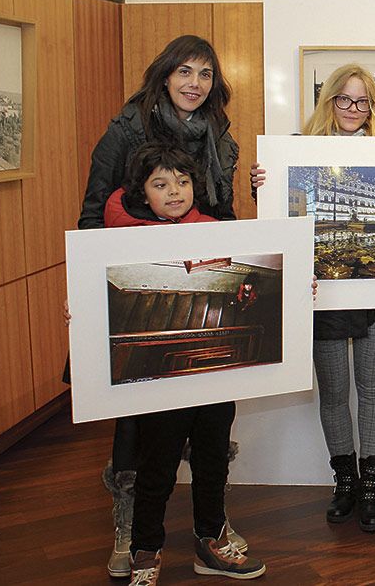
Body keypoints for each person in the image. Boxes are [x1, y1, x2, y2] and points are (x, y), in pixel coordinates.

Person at [76, 35, 244, 579]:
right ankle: (134, 530)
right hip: (141, 292)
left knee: (212, 420)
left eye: (205, 73)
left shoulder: (218, 132)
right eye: (185, 72)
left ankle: (209, 530)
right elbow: (93, 216)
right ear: (164, 75)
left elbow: (226, 212)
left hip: (204, 286)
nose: (196, 83)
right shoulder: (127, 129)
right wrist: (90, 293)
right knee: (141, 427)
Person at [107, 142, 265, 584]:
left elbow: (256, 278)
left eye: (183, 181)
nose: (174, 191)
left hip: (215, 372)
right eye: (160, 183)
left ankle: (210, 540)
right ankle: (145, 549)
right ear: (141, 191)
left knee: (213, 457)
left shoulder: (215, 230)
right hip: (160, 377)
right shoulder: (121, 238)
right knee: (156, 465)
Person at [250, 63, 375, 533]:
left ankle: (372, 487)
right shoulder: (297, 151)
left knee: (372, 388)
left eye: (362, 101)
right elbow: (280, 219)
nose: (352, 109)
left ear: (372, 107)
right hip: (322, 292)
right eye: (343, 99)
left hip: (371, 292)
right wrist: (264, 187)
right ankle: (345, 482)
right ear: (328, 101)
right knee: (334, 391)